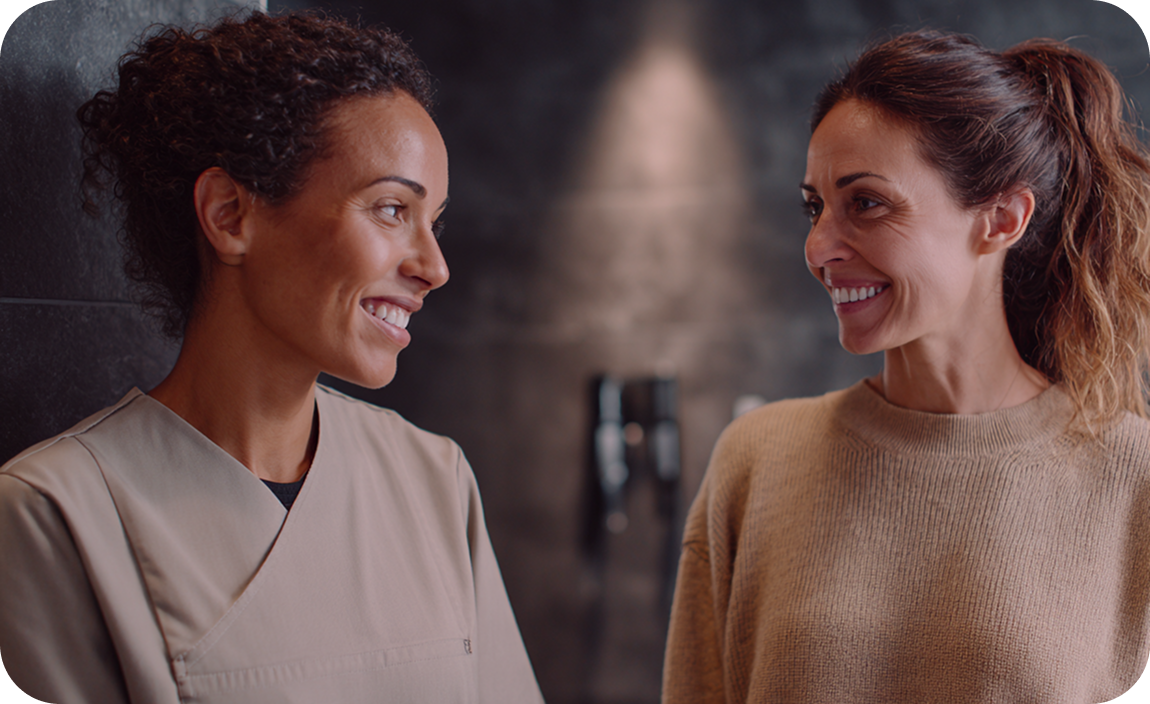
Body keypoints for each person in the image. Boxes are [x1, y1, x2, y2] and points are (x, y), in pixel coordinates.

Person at [0, 12, 543, 703]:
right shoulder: (55, 516)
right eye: (389, 209)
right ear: (230, 214)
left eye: (432, 222)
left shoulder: (435, 480)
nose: (434, 267)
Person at [662, 29, 1150, 703]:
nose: (819, 247)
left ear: (1002, 218)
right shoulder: (756, 460)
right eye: (815, 207)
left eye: (865, 203)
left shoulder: (1135, 477)